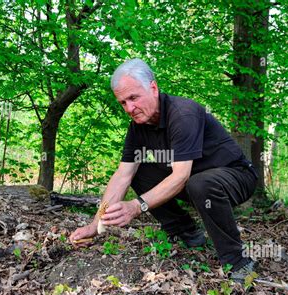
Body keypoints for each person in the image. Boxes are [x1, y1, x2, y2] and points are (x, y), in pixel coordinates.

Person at [69, 58, 258, 281]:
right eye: (122, 103)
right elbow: (123, 175)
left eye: (133, 98)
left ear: (153, 88)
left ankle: (238, 262)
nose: (129, 108)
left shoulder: (183, 114)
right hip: (194, 183)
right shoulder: (138, 127)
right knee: (139, 172)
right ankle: (187, 232)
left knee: (200, 183)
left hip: (235, 176)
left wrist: (135, 207)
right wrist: (96, 223)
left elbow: (180, 176)